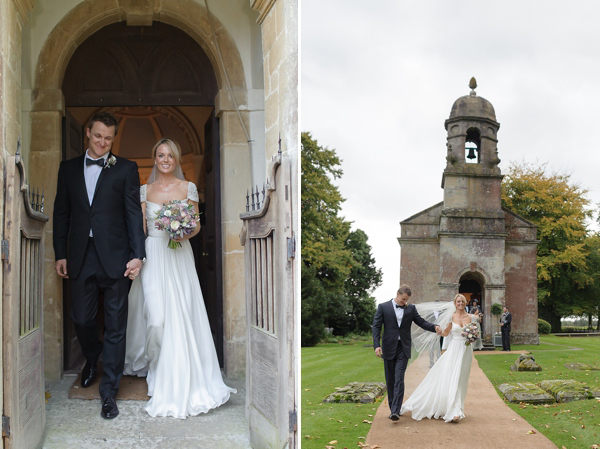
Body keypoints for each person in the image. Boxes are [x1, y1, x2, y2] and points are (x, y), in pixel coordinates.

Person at [124, 138, 236, 418]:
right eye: (160, 155)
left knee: (181, 314)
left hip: (179, 254)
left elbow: (196, 225)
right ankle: (154, 363)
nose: (165, 160)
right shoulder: (144, 190)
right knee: (157, 319)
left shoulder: (188, 188)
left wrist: (184, 232)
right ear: (155, 158)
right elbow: (140, 229)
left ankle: (167, 373)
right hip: (153, 254)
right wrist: (137, 258)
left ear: (176, 160)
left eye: (170, 156)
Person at [53, 112, 146, 419]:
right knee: (81, 317)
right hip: (80, 254)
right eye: (98, 136)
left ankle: (109, 392)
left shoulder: (126, 168)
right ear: (87, 134)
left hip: (117, 256)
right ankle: (93, 356)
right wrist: (60, 253)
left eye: (108, 138)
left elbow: (134, 214)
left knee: (117, 325)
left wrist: (138, 254)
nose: (103, 143)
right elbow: (62, 213)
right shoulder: (67, 169)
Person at [400, 293, 474, 423]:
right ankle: (454, 411)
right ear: (455, 303)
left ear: (465, 302)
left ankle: (459, 407)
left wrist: (473, 336)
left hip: (466, 350)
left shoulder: (470, 317)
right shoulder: (451, 317)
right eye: (458, 302)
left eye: (462, 301)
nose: (460, 304)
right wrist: (439, 331)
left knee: (462, 379)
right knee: (453, 377)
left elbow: (473, 333)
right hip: (454, 349)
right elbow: (446, 333)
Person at [372, 285, 441, 421]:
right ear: (397, 294)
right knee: (390, 380)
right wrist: (377, 345)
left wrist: (435, 327)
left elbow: (421, 322)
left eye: (406, 300)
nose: (404, 302)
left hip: (403, 348)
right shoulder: (383, 307)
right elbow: (376, 327)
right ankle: (393, 408)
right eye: (403, 299)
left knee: (399, 378)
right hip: (388, 348)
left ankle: (395, 411)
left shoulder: (411, 309)